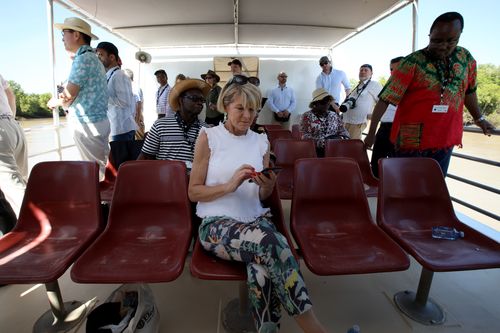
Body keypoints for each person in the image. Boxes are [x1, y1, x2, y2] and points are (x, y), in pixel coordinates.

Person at [189, 75, 330, 333]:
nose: (247, 115)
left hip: (255, 220)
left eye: (252, 109)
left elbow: (262, 196)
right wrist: (229, 185)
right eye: (240, 108)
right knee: (273, 245)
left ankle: (267, 329)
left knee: (262, 271)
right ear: (226, 106)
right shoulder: (208, 137)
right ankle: (315, 329)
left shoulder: (261, 141)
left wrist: (267, 185)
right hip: (216, 224)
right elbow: (194, 192)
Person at [364, 12, 495, 176]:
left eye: (451, 41)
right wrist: (371, 134)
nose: (443, 46)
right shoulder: (412, 62)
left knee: (434, 186)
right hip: (411, 137)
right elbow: (384, 99)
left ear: (460, 36)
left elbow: (469, 91)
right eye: (437, 40)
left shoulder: (465, 58)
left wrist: (479, 118)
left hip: (445, 135)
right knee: (407, 185)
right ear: (430, 35)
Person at [48, 17, 110, 179]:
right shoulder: (94, 59)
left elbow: (68, 96)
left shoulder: (83, 59)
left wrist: (54, 102)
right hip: (98, 122)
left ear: (76, 35)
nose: (62, 38)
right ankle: (99, 202)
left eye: (64, 33)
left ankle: (96, 203)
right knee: (96, 172)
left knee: (90, 175)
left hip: (87, 125)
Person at [138, 79, 210, 170]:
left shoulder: (206, 129)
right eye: (194, 99)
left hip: (193, 181)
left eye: (202, 100)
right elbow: (146, 156)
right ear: (181, 100)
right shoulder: (161, 125)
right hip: (165, 179)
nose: (200, 103)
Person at [369, 57, 404, 177]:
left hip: (403, 131)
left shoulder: (415, 87)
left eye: (398, 69)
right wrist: (371, 133)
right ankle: (380, 190)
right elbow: (379, 105)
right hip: (384, 128)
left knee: (399, 166)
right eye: (391, 69)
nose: (394, 72)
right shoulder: (389, 87)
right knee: (376, 165)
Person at [96, 42, 137, 142]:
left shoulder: (119, 75)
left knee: (121, 158)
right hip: (116, 128)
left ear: (112, 57)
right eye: (98, 55)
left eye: (101, 55)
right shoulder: (110, 75)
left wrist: (102, 97)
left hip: (122, 129)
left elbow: (124, 102)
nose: (98, 58)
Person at [0, 73, 27, 220]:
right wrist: (10, 118)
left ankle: (39, 228)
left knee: (14, 188)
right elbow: (10, 95)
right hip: (12, 125)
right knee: (21, 180)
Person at [300, 88, 350, 157]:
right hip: (315, 151)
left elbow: (343, 131)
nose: (326, 104)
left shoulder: (334, 115)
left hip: (335, 150)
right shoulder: (307, 116)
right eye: (323, 102)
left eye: (328, 101)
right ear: (315, 103)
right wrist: (323, 142)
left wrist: (343, 138)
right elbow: (304, 135)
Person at [341, 64, 382, 140]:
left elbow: (382, 103)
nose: (363, 72)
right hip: (346, 121)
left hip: (358, 123)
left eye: (366, 70)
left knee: (352, 147)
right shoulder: (358, 86)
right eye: (361, 70)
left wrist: (374, 115)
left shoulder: (375, 84)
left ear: (371, 73)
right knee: (345, 147)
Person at [123, 69, 145, 140]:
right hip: (131, 120)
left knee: (136, 141)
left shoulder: (134, 88)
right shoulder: (128, 87)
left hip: (134, 119)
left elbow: (138, 105)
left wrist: (137, 121)